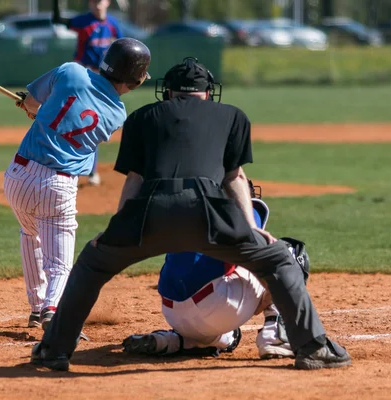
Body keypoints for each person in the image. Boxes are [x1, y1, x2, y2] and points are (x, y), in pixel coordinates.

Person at [31, 57, 352, 371]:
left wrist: (117, 229)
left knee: (92, 263)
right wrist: (251, 229)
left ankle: (54, 351)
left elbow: (135, 180)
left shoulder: (142, 117)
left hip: (148, 212)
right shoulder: (233, 116)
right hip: (209, 212)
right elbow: (234, 178)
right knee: (280, 259)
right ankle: (312, 348)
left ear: (168, 92)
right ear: (209, 93)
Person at [3, 38, 150, 331]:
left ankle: (36, 307)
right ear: (134, 80)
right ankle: (51, 310)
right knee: (59, 262)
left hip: (17, 176)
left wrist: (31, 108)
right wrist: (39, 111)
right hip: (57, 185)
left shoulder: (71, 70)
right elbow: (73, 122)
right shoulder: (117, 114)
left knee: (30, 233)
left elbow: (34, 103)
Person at [122, 181, 306, 359]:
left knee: (210, 279)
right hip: (218, 307)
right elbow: (260, 259)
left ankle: (183, 340)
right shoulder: (241, 210)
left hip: (172, 312)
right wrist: (271, 296)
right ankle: (275, 336)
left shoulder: (183, 209)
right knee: (288, 252)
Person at [53, 0, 124, 186]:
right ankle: (72, 167)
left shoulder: (113, 23)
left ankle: (90, 170)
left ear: (108, 2)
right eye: (93, 1)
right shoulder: (83, 21)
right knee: (74, 119)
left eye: (100, 0)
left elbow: (123, 44)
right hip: (83, 75)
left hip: (103, 78)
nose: (96, 4)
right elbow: (58, 20)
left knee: (93, 120)